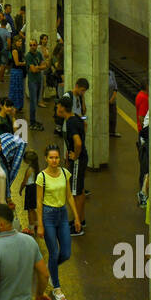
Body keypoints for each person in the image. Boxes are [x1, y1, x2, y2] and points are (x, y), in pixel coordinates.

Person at [35, 146, 72, 300]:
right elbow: (38, 201)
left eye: (56, 157)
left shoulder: (65, 173)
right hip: (48, 216)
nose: (54, 160)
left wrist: (76, 217)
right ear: (46, 158)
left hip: (62, 215)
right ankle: (56, 287)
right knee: (54, 252)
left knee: (66, 253)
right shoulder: (41, 177)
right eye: (51, 157)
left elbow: (69, 196)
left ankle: (50, 269)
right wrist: (40, 224)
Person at [56, 97, 88, 235]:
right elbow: (85, 126)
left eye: (58, 107)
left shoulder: (70, 123)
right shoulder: (76, 118)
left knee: (75, 192)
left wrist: (75, 155)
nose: (57, 109)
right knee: (80, 191)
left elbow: (78, 142)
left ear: (62, 108)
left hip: (78, 161)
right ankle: (81, 219)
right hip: (81, 158)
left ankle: (77, 225)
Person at [24, 35, 46, 131]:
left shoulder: (39, 54)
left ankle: (34, 119)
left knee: (36, 101)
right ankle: (32, 121)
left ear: (37, 45)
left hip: (39, 80)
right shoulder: (28, 56)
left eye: (34, 45)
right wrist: (38, 67)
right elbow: (33, 70)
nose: (33, 46)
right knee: (33, 102)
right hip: (32, 81)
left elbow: (44, 65)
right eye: (31, 45)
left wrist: (38, 68)